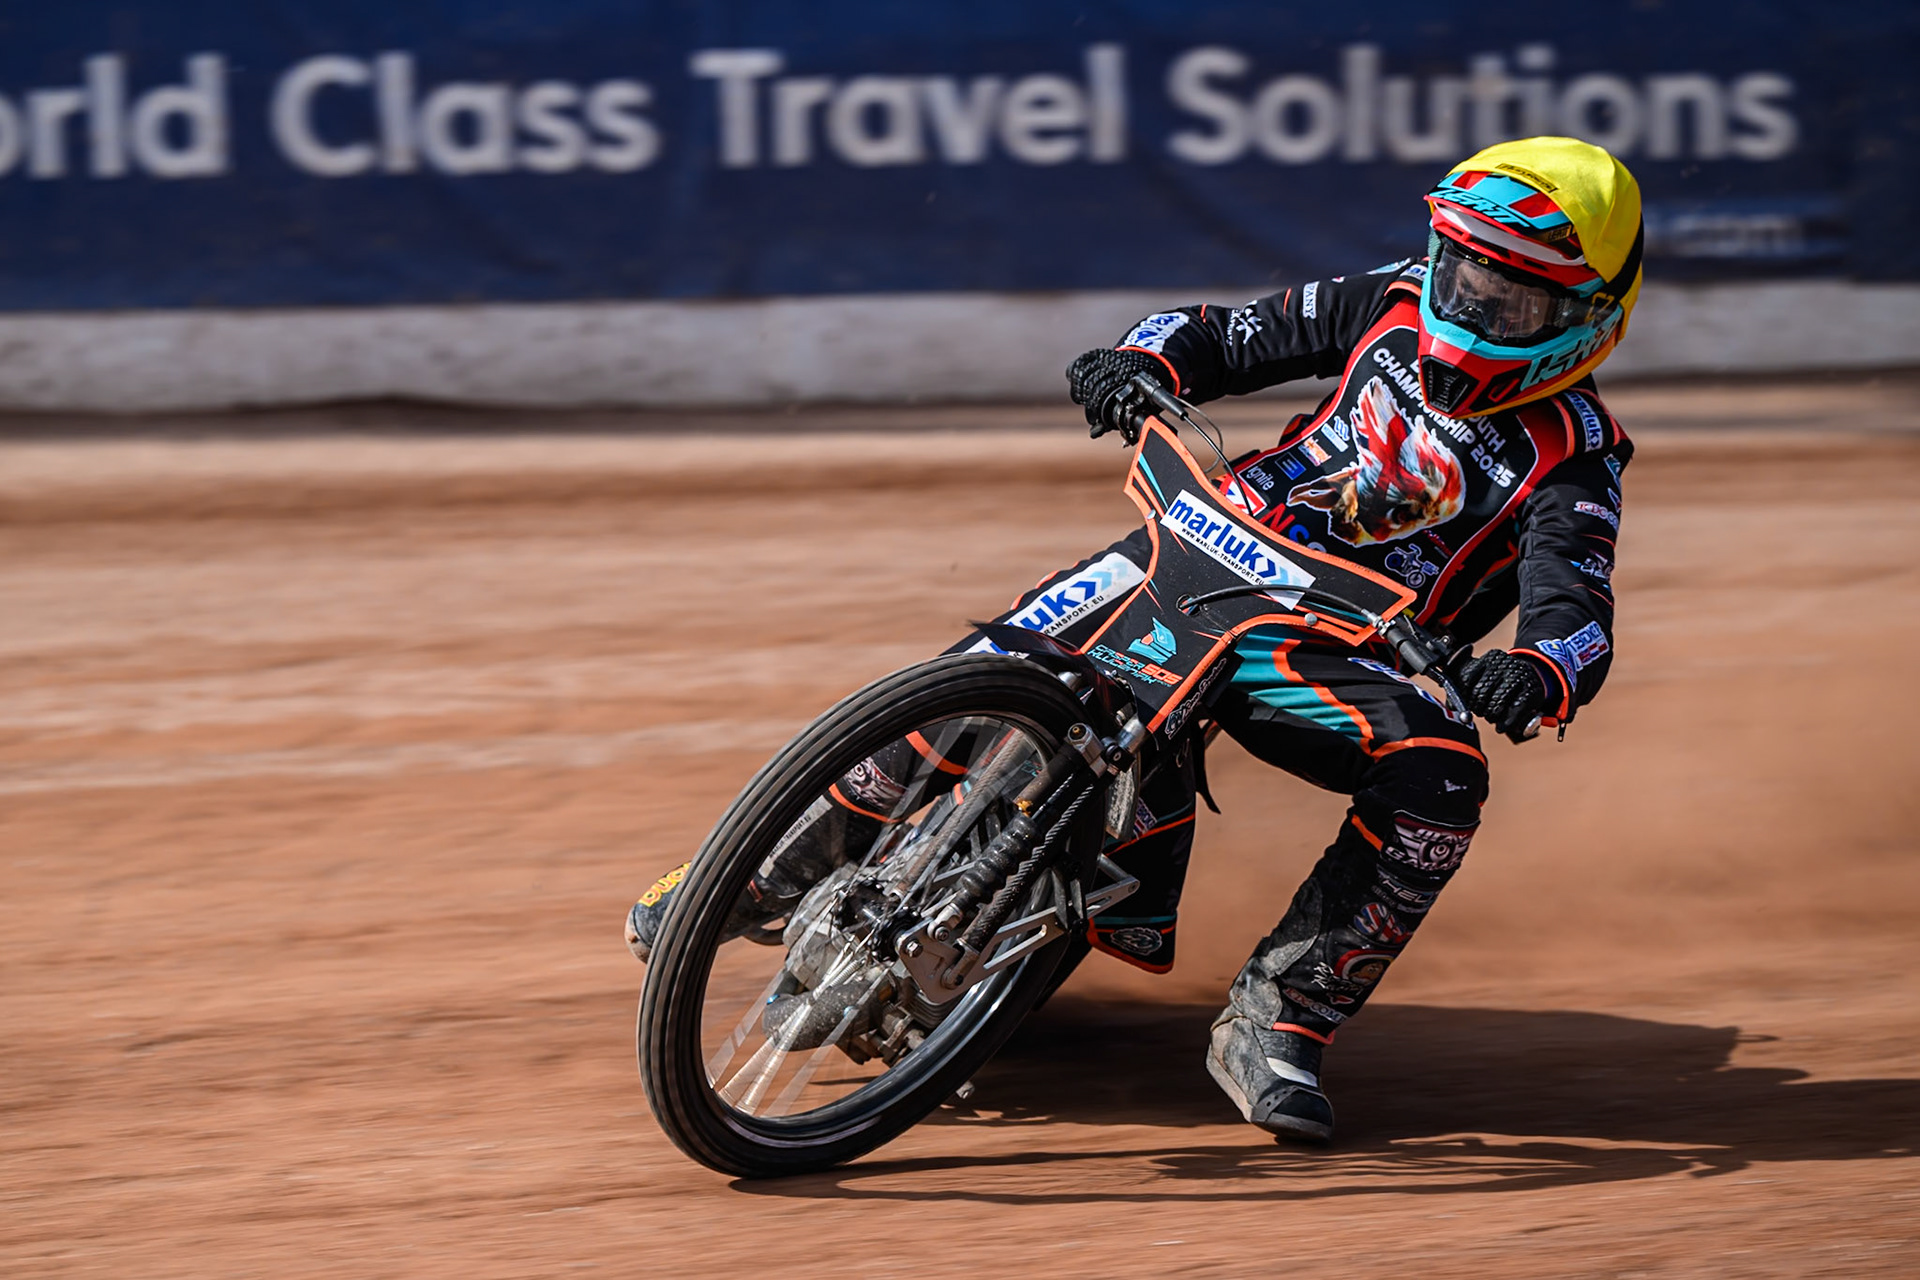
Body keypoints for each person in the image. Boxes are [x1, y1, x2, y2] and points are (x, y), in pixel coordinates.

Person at [626, 135, 1641, 1145]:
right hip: (1206, 536)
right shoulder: (1391, 297)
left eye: (1508, 299)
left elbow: (1577, 605)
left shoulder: (1577, 455)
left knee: (1444, 770)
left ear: (1584, 320)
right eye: (1462, 270)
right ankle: (758, 873)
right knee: (988, 671)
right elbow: (1223, 332)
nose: (1469, 305)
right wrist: (1137, 359)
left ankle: (1282, 1017)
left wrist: (1536, 669)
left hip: (1343, 641)